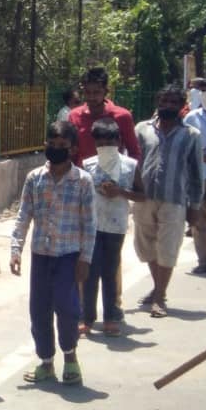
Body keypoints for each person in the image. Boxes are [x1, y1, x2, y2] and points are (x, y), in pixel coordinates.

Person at [10, 120, 95, 386]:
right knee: (39, 310)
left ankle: (70, 358)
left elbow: (89, 223)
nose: (56, 149)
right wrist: (16, 248)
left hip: (69, 256)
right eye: (52, 143)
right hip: (41, 255)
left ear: (73, 149)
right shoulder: (35, 178)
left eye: (63, 145)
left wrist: (85, 258)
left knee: (68, 309)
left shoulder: (83, 181)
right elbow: (24, 215)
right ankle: (46, 362)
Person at [133, 84, 204, 318]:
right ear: (158, 102)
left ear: (182, 106)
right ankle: (158, 287)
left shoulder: (191, 135)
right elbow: (132, 161)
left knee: (168, 248)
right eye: (164, 101)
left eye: (174, 102)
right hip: (144, 197)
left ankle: (160, 297)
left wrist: (195, 207)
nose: (168, 106)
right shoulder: (142, 129)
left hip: (175, 199)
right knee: (146, 247)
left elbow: (196, 174)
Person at [80, 119, 143, 336]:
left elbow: (143, 195)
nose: (105, 146)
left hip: (116, 226)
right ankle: (87, 317)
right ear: (95, 143)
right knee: (90, 272)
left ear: (118, 141)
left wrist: (121, 192)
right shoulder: (88, 165)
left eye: (110, 142)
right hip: (92, 225)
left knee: (110, 271)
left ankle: (111, 317)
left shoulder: (130, 165)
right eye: (101, 142)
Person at [68, 67, 139, 163]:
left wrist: (130, 171)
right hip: (82, 172)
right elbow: (71, 153)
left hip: (114, 172)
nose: (91, 97)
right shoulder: (74, 116)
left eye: (96, 92)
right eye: (87, 92)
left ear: (106, 91)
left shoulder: (122, 116)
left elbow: (134, 152)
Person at [185, 78, 206, 274]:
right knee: (198, 222)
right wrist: (198, 154)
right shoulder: (191, 118)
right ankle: (203, 261)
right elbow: (184, 143)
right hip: (197, 178)